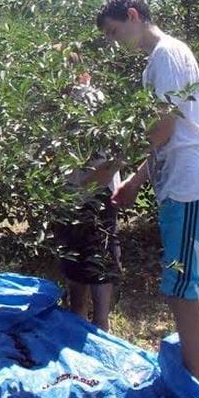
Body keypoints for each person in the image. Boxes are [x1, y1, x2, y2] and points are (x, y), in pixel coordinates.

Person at [98, 0, 199, 384]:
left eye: (116, 32)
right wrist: (135, 181)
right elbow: (162, 136)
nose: (116, 44)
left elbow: (165, 127)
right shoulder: (155, 62)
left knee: (182, 285)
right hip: (175, 184)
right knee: (176, 282)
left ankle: (195, 387)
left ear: (133, 16)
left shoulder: (167, 54)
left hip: (189, 184)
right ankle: (191, 377)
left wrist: (115, 165)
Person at [55, 65, 122, 332]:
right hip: (76, 190)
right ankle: (94, 319)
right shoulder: (61, 102)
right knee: (88, 254)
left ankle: (90, 318)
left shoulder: (90, 99)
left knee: (89, 254)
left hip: (91, 189)